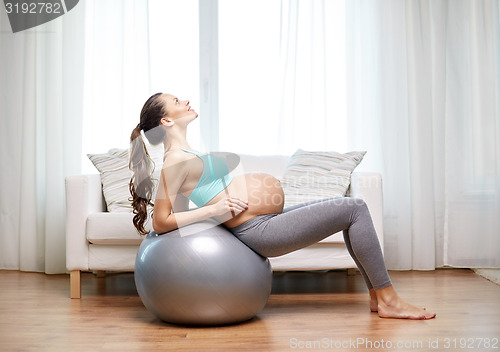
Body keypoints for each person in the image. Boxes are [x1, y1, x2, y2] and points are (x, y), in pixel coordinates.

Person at [129, 92, 436, 320]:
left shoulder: (184, 152)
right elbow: (162, 221)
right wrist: (214, 210)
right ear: (166, 120)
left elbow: (182, 209)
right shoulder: (174, 161)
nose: (186, 101)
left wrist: (210, 209)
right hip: (257, 230)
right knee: (354, 209)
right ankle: (388, 299)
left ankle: (377, 297)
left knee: (351, 210)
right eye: (176, 101)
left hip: (261, 221)